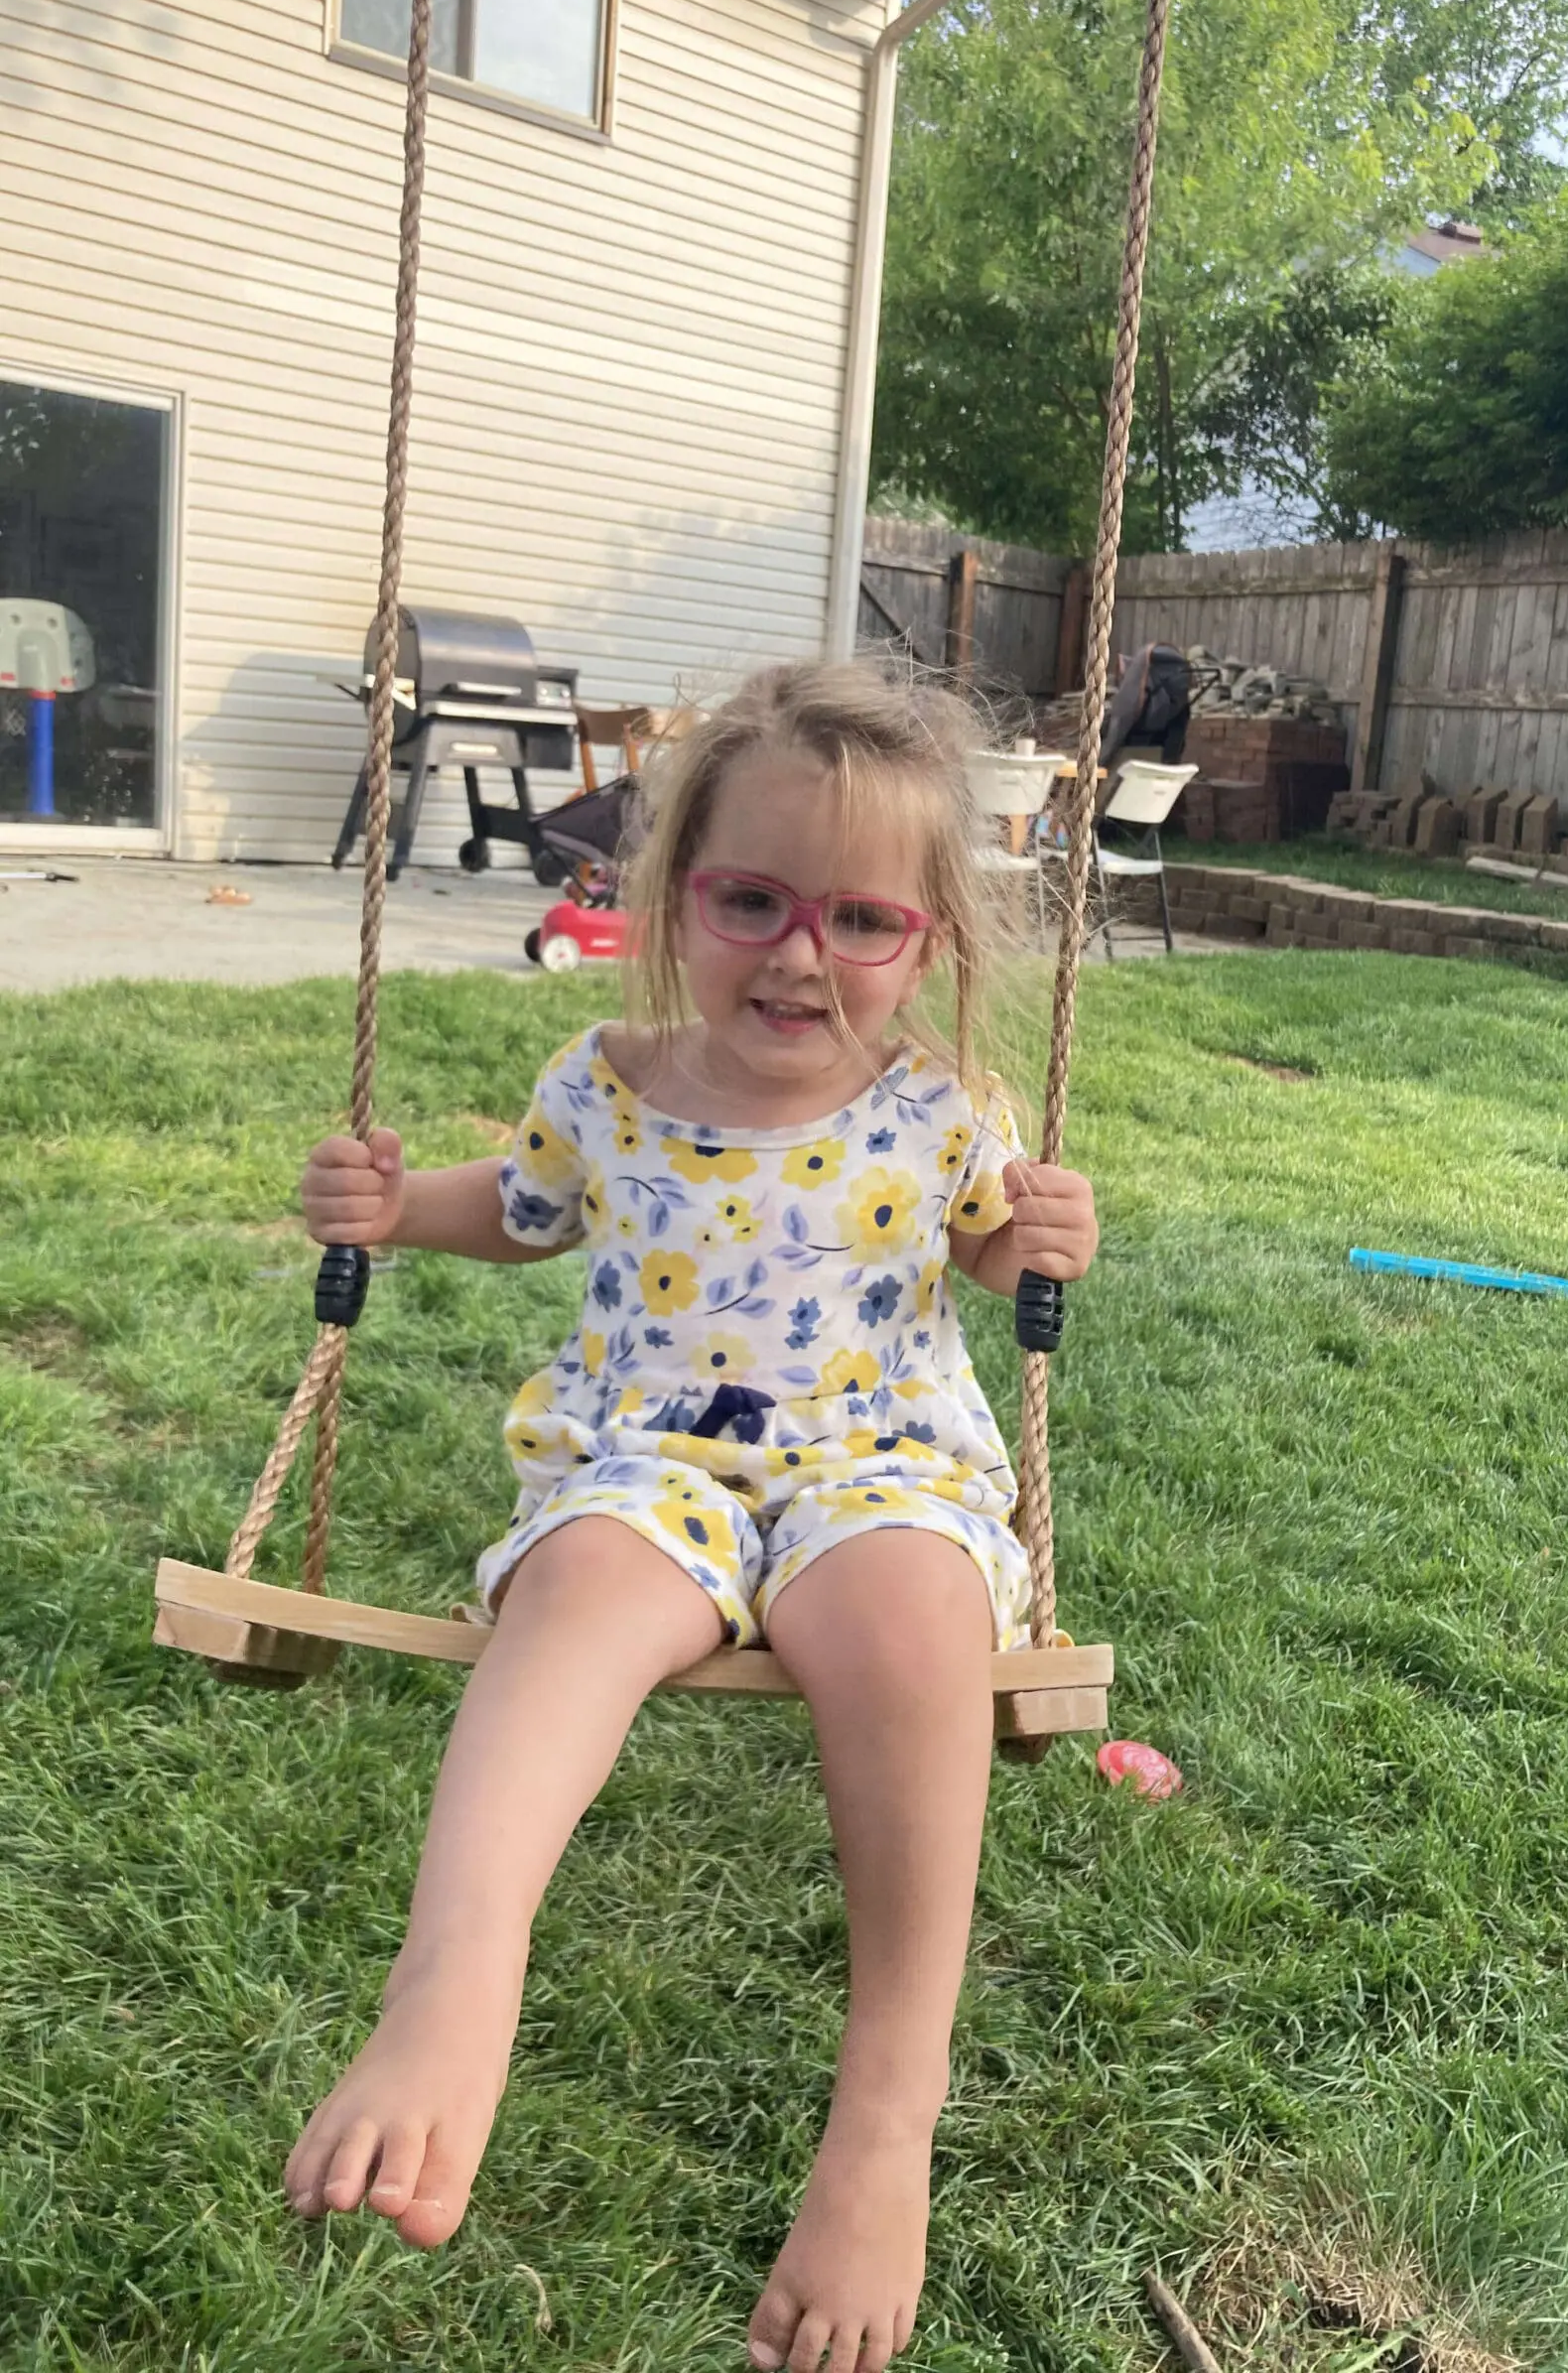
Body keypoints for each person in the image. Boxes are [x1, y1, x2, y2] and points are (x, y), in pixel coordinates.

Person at [283, 661, 1100, 2373]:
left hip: (877, 1459)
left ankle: (886, 2114)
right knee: (578, 1593)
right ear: (675, 895)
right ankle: (455, 1980)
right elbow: (511, 1212)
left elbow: (980, 1250)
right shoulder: (607, 1080)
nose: (800, 955)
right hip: (646, 1453)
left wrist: (1035, 1240)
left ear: (929, 944)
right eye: (753, 899)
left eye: (861, 920)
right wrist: (386, 1205)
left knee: (909, 1624)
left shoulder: (948, 1114)